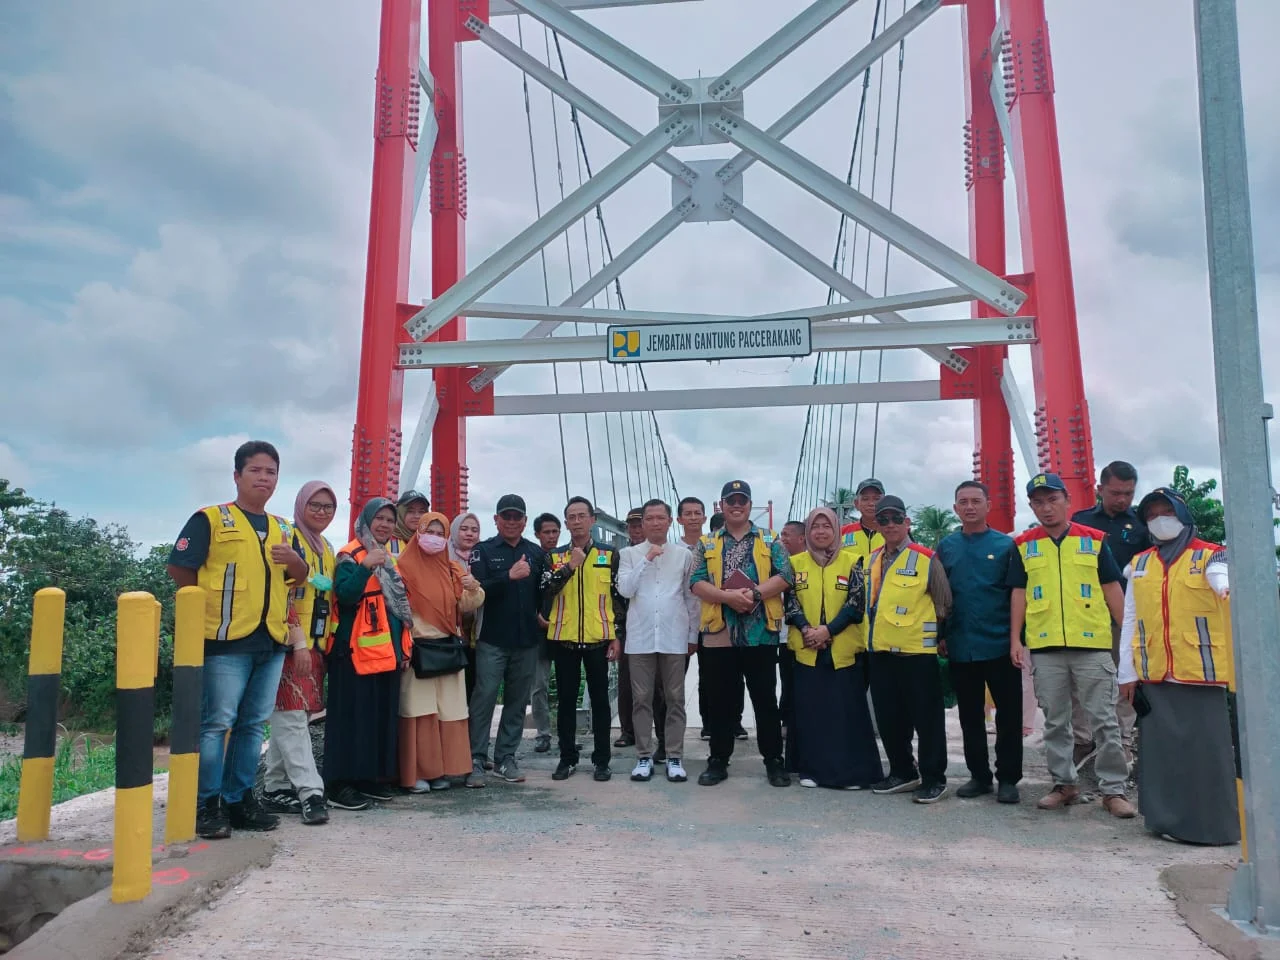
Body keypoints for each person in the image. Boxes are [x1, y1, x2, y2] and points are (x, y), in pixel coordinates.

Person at [167, 440, 311, 840]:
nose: (265, 478)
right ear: (237, 475)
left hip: (271, 640)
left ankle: (240, 799)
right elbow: (180, 569)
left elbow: (296, 579)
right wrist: (208, 610)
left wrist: (298, 564)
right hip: (225, 641)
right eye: (256, 470)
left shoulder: (284, 527)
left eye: (271, 472)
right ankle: (205, 804)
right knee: (216, 724)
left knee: (252, 726)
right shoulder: (210, 519)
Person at [1008, 473, 1135, 818]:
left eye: (1052, 500)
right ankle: (1064, 784)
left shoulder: (1093, 541)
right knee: (1056, 722)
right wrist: (1015, 639)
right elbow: (1018, 593)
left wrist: (1130, 641)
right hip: (1046, 646)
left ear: (1067, 501)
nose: (1046, 508)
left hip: (1092, 645)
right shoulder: (1024, 545)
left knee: (1104, 721)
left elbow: (1112, 589)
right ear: (1032, 505)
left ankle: (1114, 790)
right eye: (1038, 502)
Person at [1119, 488, 1238, 844]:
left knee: (1206, 755)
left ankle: (1211, 829)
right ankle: (1164, 821)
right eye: (1151, 514)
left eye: (1165, 512)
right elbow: (1130, 619)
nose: (1159, 519)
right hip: (1155, 673)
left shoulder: (1213, 556)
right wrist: (1127, 672)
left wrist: (1225, 587)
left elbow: (1224, 584)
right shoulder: (1139, 564)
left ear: (1183, 515)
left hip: (1200, 672)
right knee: (1163, 755)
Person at [690, 480, 793, 788]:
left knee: (764, 700)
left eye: (742, 500)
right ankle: (718, 760)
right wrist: (728, 598)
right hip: (720, 631)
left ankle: (774, 761)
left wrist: (754, 594)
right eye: (730, 500)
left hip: (760, 633)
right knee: (721, 700)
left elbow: (785, 575)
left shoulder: (770, 539)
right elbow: (695, 581)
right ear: (721, 505)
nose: (736, 505)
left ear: (750, 504)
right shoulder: (706, 543)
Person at [783, 507, 883, 790]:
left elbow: (855, 603)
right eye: (815, 527)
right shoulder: (795, 563)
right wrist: (807, 630)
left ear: (836, 530)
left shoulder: (853, 561)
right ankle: (811, 770)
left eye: (827, 527)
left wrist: (828, 630)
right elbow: (790, 602)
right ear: (808, 532)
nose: (821, 532)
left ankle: (852, 774)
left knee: (845, 712)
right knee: (811, 711)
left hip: (843, 648)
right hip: (807, 647)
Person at [936, 481, 1021, 804]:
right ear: (955, 508)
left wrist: (1016, 639)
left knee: (1008, 715)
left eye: (975, 501)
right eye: (963, 502)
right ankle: (979, 776)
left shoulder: (1004, 546)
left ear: (988, 505)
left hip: (999, 643)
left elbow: (1016, 594)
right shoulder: (947, 547)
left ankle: (1009, 778)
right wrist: (942, 636)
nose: (969, 507)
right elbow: (941, 595)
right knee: (970, 715)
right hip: (961, 643)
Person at [865, 495, 953, 804]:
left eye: (895, 519)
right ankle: (903, 771)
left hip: (917, 653)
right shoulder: (873, 558)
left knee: (926, 721)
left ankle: (933, 778)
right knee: (890, 719)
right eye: (883, 520)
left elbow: (943, 605)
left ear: (906, 522)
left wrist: (937, 637)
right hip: (880, 652)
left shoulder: (926, 557)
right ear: (877, 525)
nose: (890, 525)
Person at [261, 481, 337, 826]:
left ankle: (275, 785)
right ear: (301, 505)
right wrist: (299, 641)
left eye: (327, 506)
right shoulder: (288, 539)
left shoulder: (326, 547)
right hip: (291, 643)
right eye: (315, 505)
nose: (321, 512)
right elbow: (283, 595)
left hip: (317, 643)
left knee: (294, 716)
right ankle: (311, 792)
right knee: (291, 718)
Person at [324, 498, 409, 810]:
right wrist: (364, 566)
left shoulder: (390, 559)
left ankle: (366, 778)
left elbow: (396, 609)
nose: (385, 525)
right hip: (352, 653)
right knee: (349, 719)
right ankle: (339, 784)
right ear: (367, 521)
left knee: (374, 720)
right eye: (380, 519)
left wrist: (402, 650)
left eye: (390, 520)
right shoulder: (350, 555)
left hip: (383, 654)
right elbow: (345, 596)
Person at [1069, 460, 1150, 767]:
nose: (1122, 499)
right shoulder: (1081, 522)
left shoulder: (1141, 525)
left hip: (1125, 617)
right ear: (1099, 489)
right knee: (1082, 680)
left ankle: (1123, 742)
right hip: (1086, 614)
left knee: (1125, 677)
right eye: (1116, 492)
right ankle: (1083, 739)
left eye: (1128, 493)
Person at [397, 512, 484, 793]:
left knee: (450, 709)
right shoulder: (403, 568)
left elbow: (470, 603)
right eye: (429, 531)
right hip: (417, 649)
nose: (434, 538)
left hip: (447, 647)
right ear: (418, 532)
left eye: (439, 532)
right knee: (419, 711)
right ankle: (419, 772)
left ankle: (444, 770)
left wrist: (473, 586)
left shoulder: (451, 568)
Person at [617, 499, 699, 784]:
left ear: (668, 521)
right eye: (649, 518)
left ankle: (674, 756)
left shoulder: (684, 555)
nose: (654, 523)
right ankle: (643, 756)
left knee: (675, 698)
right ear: (643, 523)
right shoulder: (628, 554)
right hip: (640, 637)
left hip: (673, 635)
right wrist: (647, 558)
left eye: (659, 518)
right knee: (641, 699)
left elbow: (691, 598)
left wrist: (692, 635)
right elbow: (626, 590)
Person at [468, 494, 547, 786]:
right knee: (484, 698)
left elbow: (545, 591)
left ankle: (505, 758)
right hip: (493, 639)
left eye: (517, 517)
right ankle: (476, 758)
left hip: (527, 640)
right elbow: (477, 590)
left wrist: (545, 613)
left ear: (525, 521)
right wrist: (508, 576)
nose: (512, 522)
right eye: (506, 517)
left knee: (516, 702)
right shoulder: (483, 550)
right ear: (496, 520)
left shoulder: (536, 553)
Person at [543, 497, 622, 782]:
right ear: (565, 523)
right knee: (565, 701)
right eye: (571, 517)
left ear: (592, 520)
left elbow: (616, 599)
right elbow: (546, 591)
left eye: (581, 516)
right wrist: (570, 567)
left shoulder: (609, 554)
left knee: (600, 702)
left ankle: (602, 760)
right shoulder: (554, 556)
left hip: (598, 639)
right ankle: (567, 758)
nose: (576, 522)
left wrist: (617, 637)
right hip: (564, 640)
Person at [530, 512, 562, 754]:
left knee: (565, 684)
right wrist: (535, 615)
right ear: (537, 534)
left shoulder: (565, 557)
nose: (551, 536)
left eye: (555, 531)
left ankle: (565, 732)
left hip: (564, 629)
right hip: (539, 631)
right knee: (539, 686)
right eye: (546, 532)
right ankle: (543, 733)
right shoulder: (531, 558)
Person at [613, 506, 645, 749]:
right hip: (626, 625)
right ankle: (628, 731)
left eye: (639, 524)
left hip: (653, 625)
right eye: (632, 526)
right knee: (626, 682)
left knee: (658, 686)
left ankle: (659, 733)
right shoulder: (620, 555)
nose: (636, 530)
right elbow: (613, 593)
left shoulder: (661, 553)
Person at [449, 512, 483, 705]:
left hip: (476, 633)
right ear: (454, 531)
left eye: (474, 530)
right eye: (464, 529)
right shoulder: (442, 555)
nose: (469, 534)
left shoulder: (482, 556)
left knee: (473, 684)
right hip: (453, 632)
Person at [840, 478, 886, 560]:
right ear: (856, 504)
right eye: (865, 499)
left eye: (876, 499)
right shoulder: (841, 534)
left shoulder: (894, 532)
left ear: (885, 502)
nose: (871, 503)